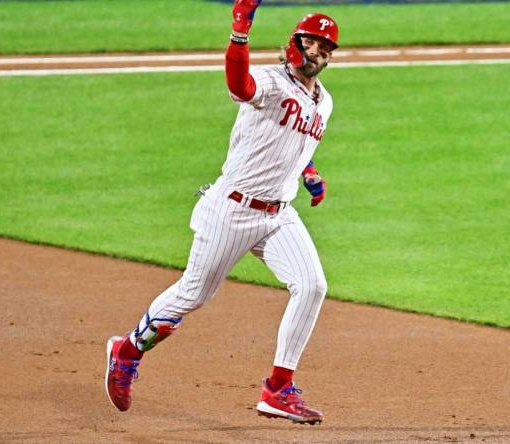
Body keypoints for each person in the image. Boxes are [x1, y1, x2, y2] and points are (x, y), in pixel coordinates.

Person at [104, 0, 339, 425]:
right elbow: (238, 85)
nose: (317, 52)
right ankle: (127, 351)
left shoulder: (325, 103)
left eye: (326, 47)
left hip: (279, 214)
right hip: (232, 209)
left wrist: (310, 171)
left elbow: (293, 140)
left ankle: (278, 388)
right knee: (193, 295)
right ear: (294, 43)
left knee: (312, 285)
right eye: (311, 41)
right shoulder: (268, 81)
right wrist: (240, 31)